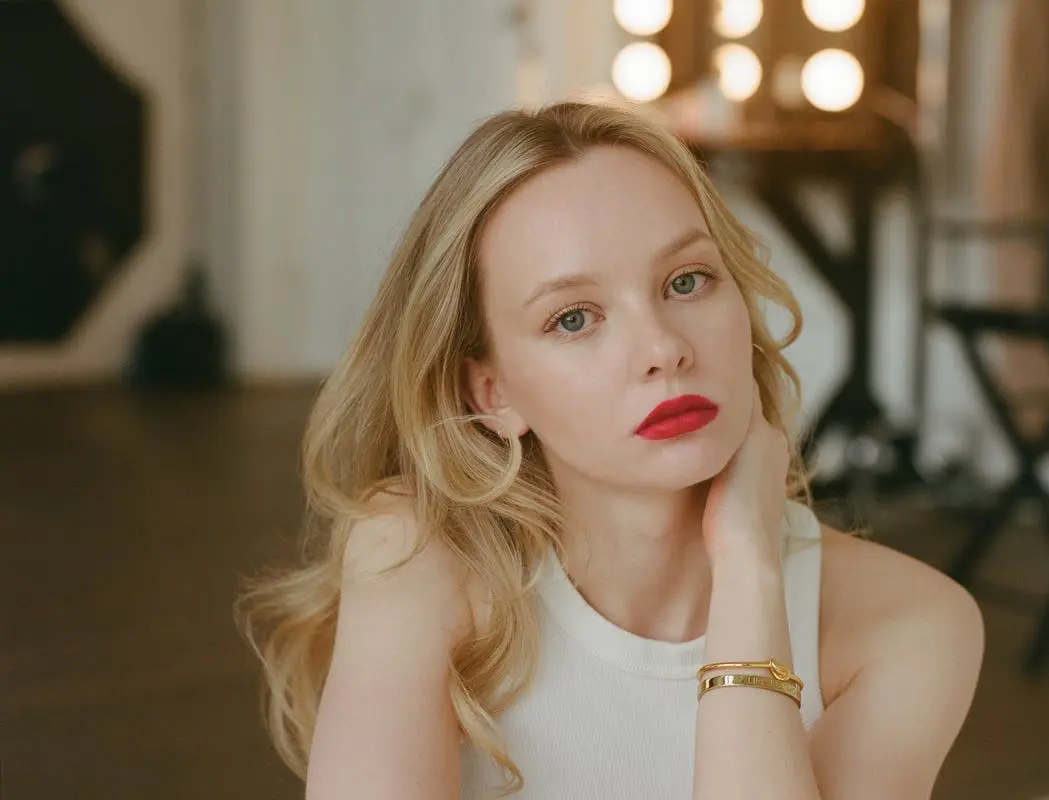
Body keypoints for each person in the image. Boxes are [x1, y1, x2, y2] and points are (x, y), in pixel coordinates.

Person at [237, 102, 984, 799]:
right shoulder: (419, 554)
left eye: (687, 280)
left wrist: (751, 570)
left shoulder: (913, 623)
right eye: (573, 319)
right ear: (492, 392)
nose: (662, 348)